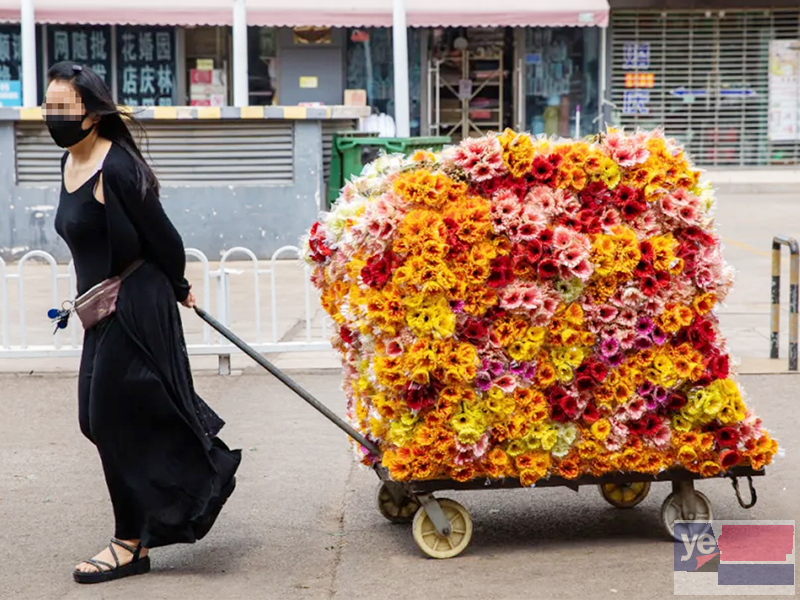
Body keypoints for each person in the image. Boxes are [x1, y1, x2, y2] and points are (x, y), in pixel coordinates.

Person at [45, 62, 241, 584]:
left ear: (90, 112)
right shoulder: (69, 161)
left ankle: (130, 542)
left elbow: (164, 238)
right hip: (100, 307)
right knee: (95, 420)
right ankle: (185, 487)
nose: (52, 116)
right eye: (48, 106)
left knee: (109, 419)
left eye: (62, 107)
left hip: (136, 302)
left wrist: (177, 286)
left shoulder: (118, 167)